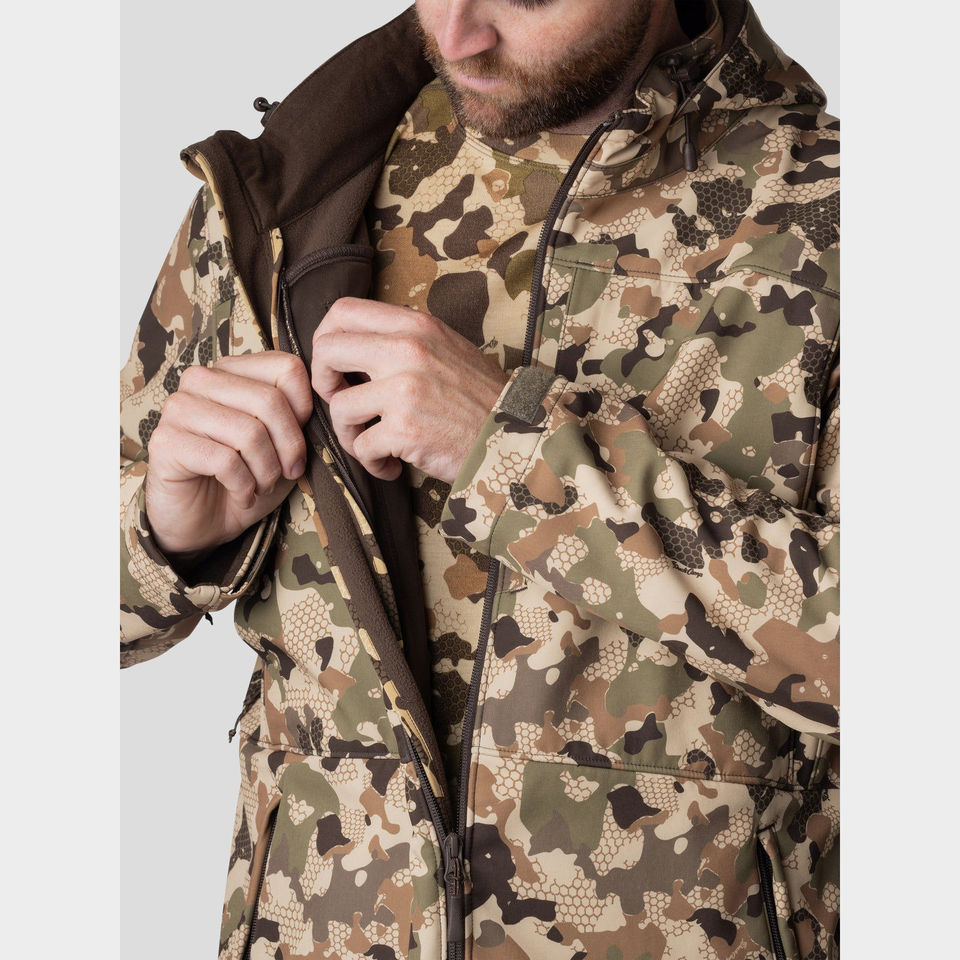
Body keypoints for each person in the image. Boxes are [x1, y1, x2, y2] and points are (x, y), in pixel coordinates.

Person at [119, 1, 839, 957]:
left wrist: (518, 455)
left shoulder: (836, 218)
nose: (455, 35)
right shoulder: (291, 193)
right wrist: (165, 535)